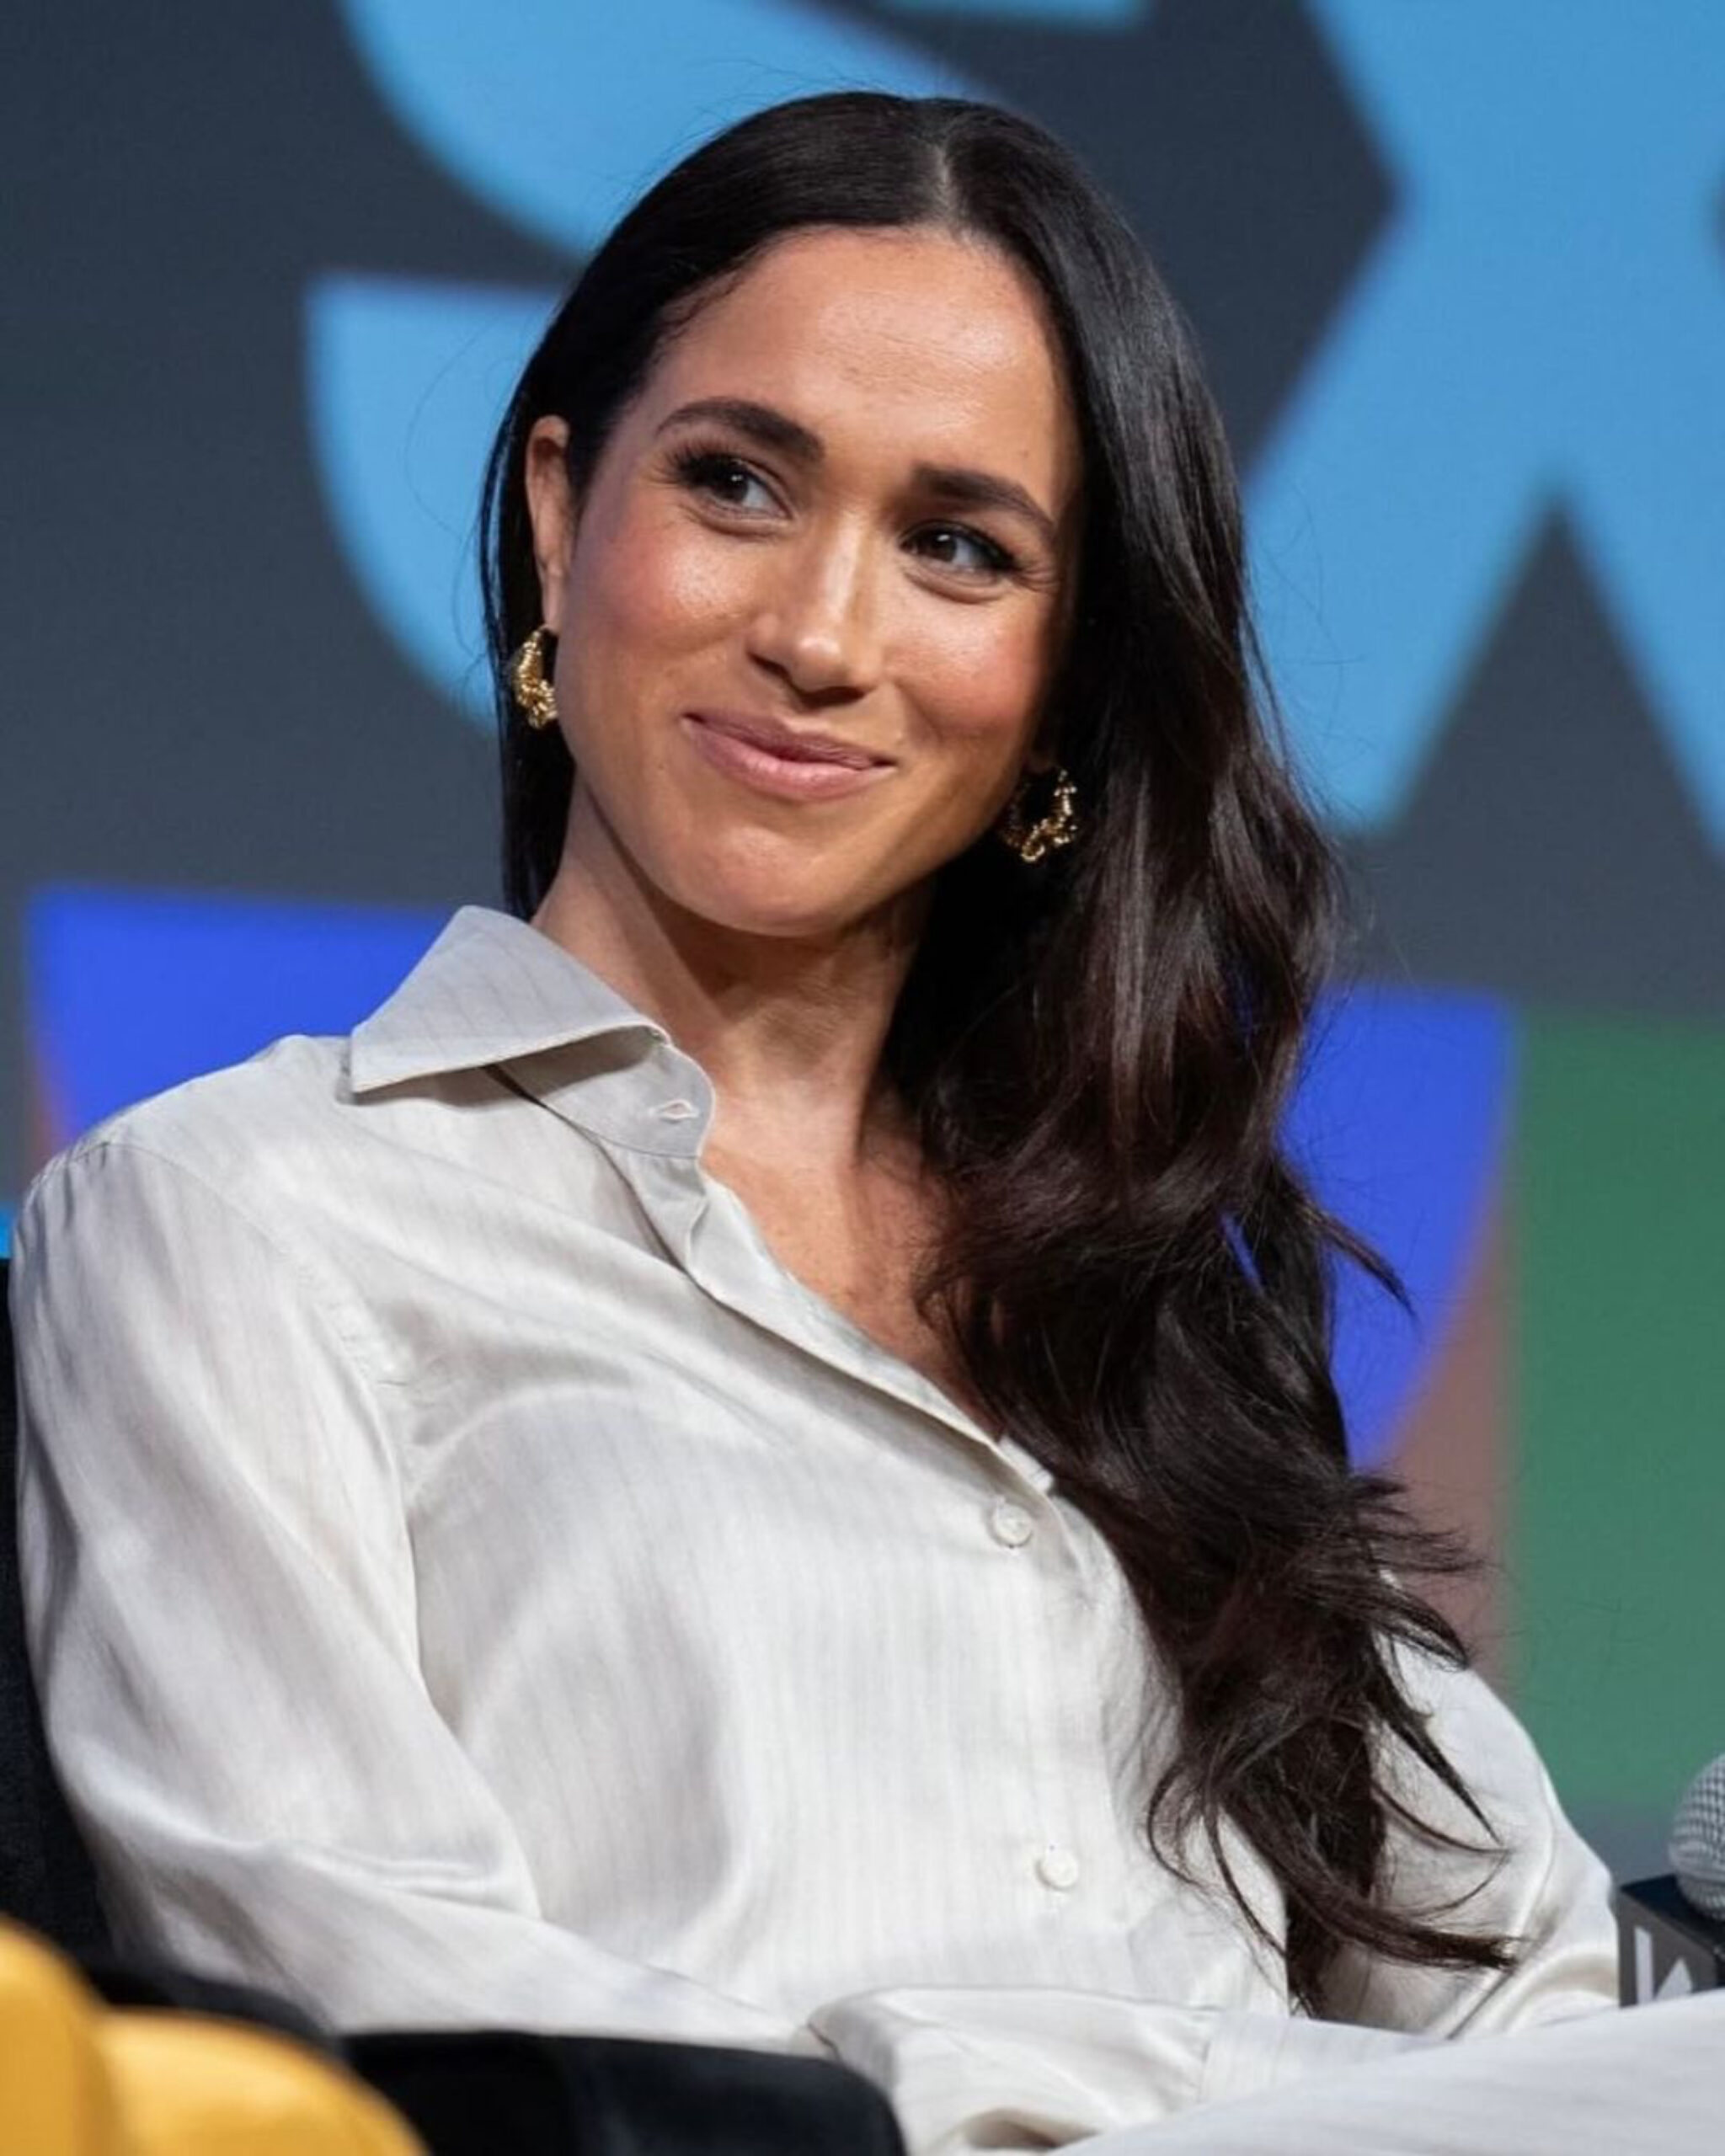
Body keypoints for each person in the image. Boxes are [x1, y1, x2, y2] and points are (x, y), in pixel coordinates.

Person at [10, 89, 1721, 2154]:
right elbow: (377, 1995)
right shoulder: (241, 1213)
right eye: (735, 483)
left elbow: (1543, 2013)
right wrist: (1078, 2091)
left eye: (957, 548)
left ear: (1064, 676)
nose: (820, 635)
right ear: (560, 513)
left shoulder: (1142, 1309)